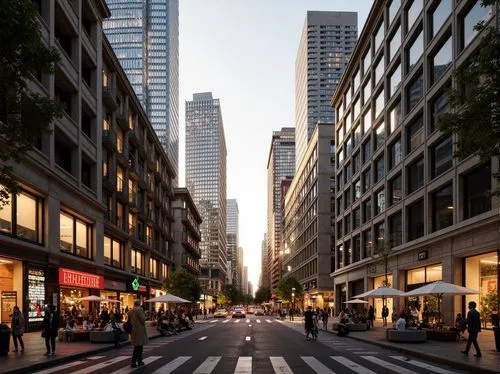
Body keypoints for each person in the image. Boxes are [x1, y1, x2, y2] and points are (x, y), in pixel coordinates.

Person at [128, 299, 148, 368]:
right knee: (139, 347)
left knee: (138, 346)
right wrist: (145, 316)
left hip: (134, 330)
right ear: (139, 304)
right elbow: (143, 319)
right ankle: (135, 362)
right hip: (139, 330)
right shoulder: (139, 310)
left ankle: (139, 361)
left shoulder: (131, 311)